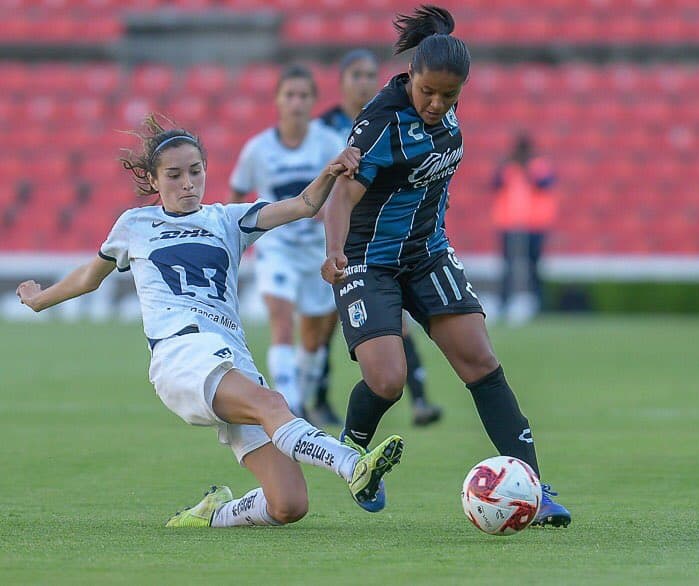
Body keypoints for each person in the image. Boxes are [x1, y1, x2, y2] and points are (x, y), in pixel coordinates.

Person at [16, 115, 403, 527]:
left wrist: (329, 172)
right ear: (153, 178)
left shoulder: (227, 220)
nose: (188, 183)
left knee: (288, 505)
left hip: (232, 356)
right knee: (273, 404)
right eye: (175, 174)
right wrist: (41, 300)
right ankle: (352, 466)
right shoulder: (134, 225)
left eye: (195, 171)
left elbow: (305, 205)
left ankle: (213, 515)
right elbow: (89, 277)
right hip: (181, 353)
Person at [320, 5, 571, 527]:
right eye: (427, 93)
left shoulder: (442, 103)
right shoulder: (382, 123)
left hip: (427, 253)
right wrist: (335, 252)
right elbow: (340, 199)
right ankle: (354, 451)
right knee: (388, 380)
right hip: (368, 259)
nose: (436, 104)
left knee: (480, 361)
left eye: (449, 96)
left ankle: (534, 486)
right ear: (410, 77)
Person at [316, 48, 444, 427]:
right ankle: (319, 398)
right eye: (356, 74)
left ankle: (420, 399)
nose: (364, 82)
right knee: (320, 326)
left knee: (398, 323)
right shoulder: (324, 129)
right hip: (330, 237)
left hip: (377, 244)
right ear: (340, 82)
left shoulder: (394, 119)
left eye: (370, 74)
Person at [230, 64, 346, 420]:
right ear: (279, 100)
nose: (296, 102)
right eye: (290, 95)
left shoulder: (329, 144)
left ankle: (303, 397)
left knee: (314, 338)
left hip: (317, 252)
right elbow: (237, 192)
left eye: (303, 96)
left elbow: (344, 192)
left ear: (313, 101)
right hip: (277, 248)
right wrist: (239, 242)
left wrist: (332, 218)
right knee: (281, 321)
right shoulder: (258, 148)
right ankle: (289, 405)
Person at [490, 133, 557, 325]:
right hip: (509, 224)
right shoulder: (509, 168)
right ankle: (504, 304)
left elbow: (546, 184)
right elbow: (495, 184)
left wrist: (528, 171)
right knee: (509, 267)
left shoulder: (538, 167)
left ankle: (539, 304)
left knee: (534, 266)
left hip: (534, 225)